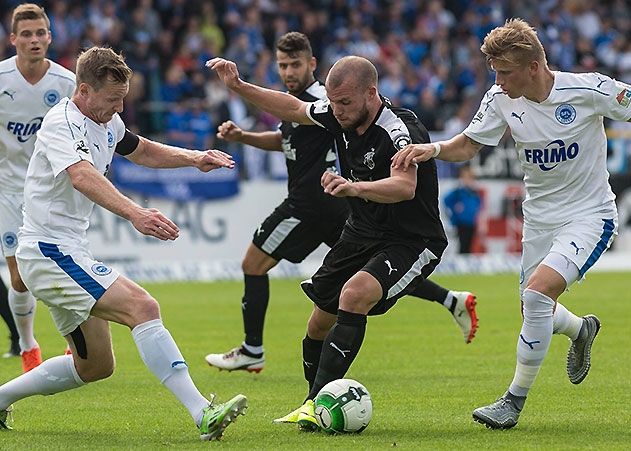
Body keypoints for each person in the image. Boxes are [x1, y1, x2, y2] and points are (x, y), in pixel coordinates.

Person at [392, 18, 629, 429]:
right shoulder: (501, 99)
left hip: (589, 215)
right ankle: (581, 330)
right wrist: (431, 149)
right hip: (538, 219)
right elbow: (468, 144)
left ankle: (512, 402)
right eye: (495, 73)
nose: (498, 82)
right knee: (534, 309)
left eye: (505, 72)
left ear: (534, 66)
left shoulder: (590, 90)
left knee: (537, 297)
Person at [0, 47, 247, 441]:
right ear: (83, 90)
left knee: (95, 366)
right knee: (143, 306)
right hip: (49, 251)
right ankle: (203, 412)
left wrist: (194, 157)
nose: (119, 106)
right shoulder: (63, 122)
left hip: (65, 251)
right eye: (112, 98)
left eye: (123, 98)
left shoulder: (107, 120)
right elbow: (81, 176)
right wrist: (135, 213)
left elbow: (142, 149)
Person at [204, 32, 479, 374]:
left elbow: (406, 186)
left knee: (263, 267)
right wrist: (239, 91)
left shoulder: (379, 119)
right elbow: (291, 120)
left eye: (295, 64)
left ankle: (255, 350)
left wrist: (354, 187)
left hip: (327, 207)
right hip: (355, 216)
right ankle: (448, 300)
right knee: (341, 300)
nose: (288, 72)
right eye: (282, 65)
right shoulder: (331, 106)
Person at [0, 4, 76, 372]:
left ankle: (73, 340)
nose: (34, 40)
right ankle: (28, 344)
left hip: (52, 191)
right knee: (19, 277)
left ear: (50, 36)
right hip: (9, 191)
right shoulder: (0, 80)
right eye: (26, 34)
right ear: (13, 39)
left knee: (62, 268)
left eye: (40, 33)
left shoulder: (66, 83)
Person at [443, 164, 482, 253]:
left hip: (471, 222)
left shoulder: (473, 192)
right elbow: (446, 200)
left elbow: (478, 204)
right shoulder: (458, 191)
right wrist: (454, 212)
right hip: (461, 223)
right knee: (462, 245)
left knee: (469, 245)